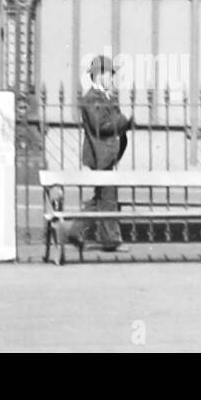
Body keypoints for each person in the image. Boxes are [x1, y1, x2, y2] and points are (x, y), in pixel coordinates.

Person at [71, 55, 133, 252]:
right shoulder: (91, 99)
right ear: (99, 76)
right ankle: (110, 240)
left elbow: (114, 119)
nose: (112, 78)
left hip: (108, 153)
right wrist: (125, 123)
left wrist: (122, 122)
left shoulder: (107, 97)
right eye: (109, 74)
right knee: (107, 197)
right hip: (100, 155)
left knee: (101, 197)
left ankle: (74, 231)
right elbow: (102, 125)